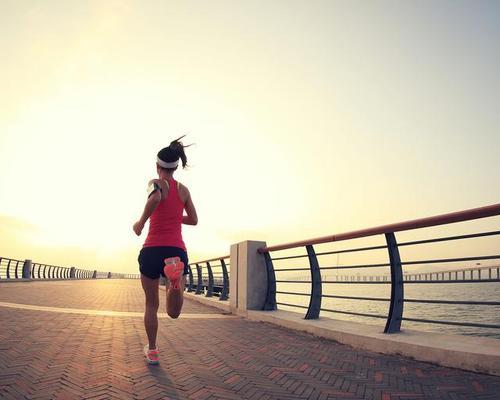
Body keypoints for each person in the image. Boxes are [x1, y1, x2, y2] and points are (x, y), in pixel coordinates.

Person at [133, 136, 198, 365]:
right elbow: (194, 219)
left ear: (158, 166)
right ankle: (175, 285)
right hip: (175, 251)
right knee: (173, 313)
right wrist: (174, 216)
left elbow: (156, 197)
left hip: (152, 248)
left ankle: (152, 350)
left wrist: (140, 222)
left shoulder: (155, 182)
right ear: (176, 166)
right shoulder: (184, 190)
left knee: (151, 304)